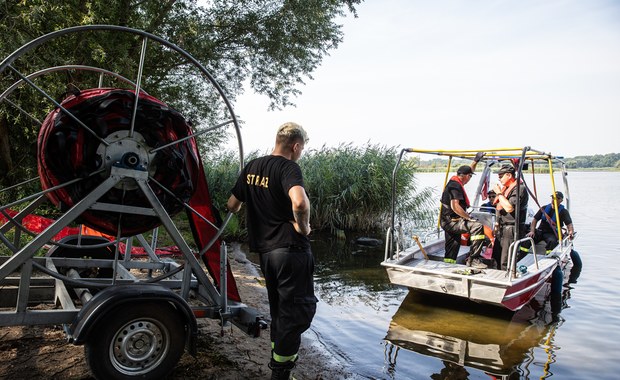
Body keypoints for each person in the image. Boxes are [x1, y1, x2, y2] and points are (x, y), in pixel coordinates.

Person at [226, 122, 317, 380]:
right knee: (297, 311)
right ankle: (281, 373)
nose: (300, 153)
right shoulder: (289, 167)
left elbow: (232, 204)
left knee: (280, 310)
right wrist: (304, 227)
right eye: (301, 149)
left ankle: (280, 366)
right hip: (291, 250)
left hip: (266, 254)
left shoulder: (252, 167)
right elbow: (299, 202)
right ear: (295, 146)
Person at [439, 152, 487, 268]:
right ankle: (474, 259)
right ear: (466, 176)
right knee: (477, 226)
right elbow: (455, 206)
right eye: (470, 176)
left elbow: (469, 169)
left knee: (453, 246)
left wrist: (476, 161)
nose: (470, 179)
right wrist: (469, 218)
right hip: (452, 222)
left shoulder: (455, 182)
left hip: (447, 221)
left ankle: (448, 266)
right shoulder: (455, 186)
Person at [491, 164, 529, 270]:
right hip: (502, 227)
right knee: (496, 256)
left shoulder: (519, 189)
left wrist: (498, 193)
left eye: (500, 176)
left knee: (506, 259)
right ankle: (495, 275)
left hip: (512, 228)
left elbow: (509, 207)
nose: (499, 179)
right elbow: (499, 207)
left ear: (509, 175)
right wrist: (497, 224)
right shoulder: (506, 189)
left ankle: (507, 277)